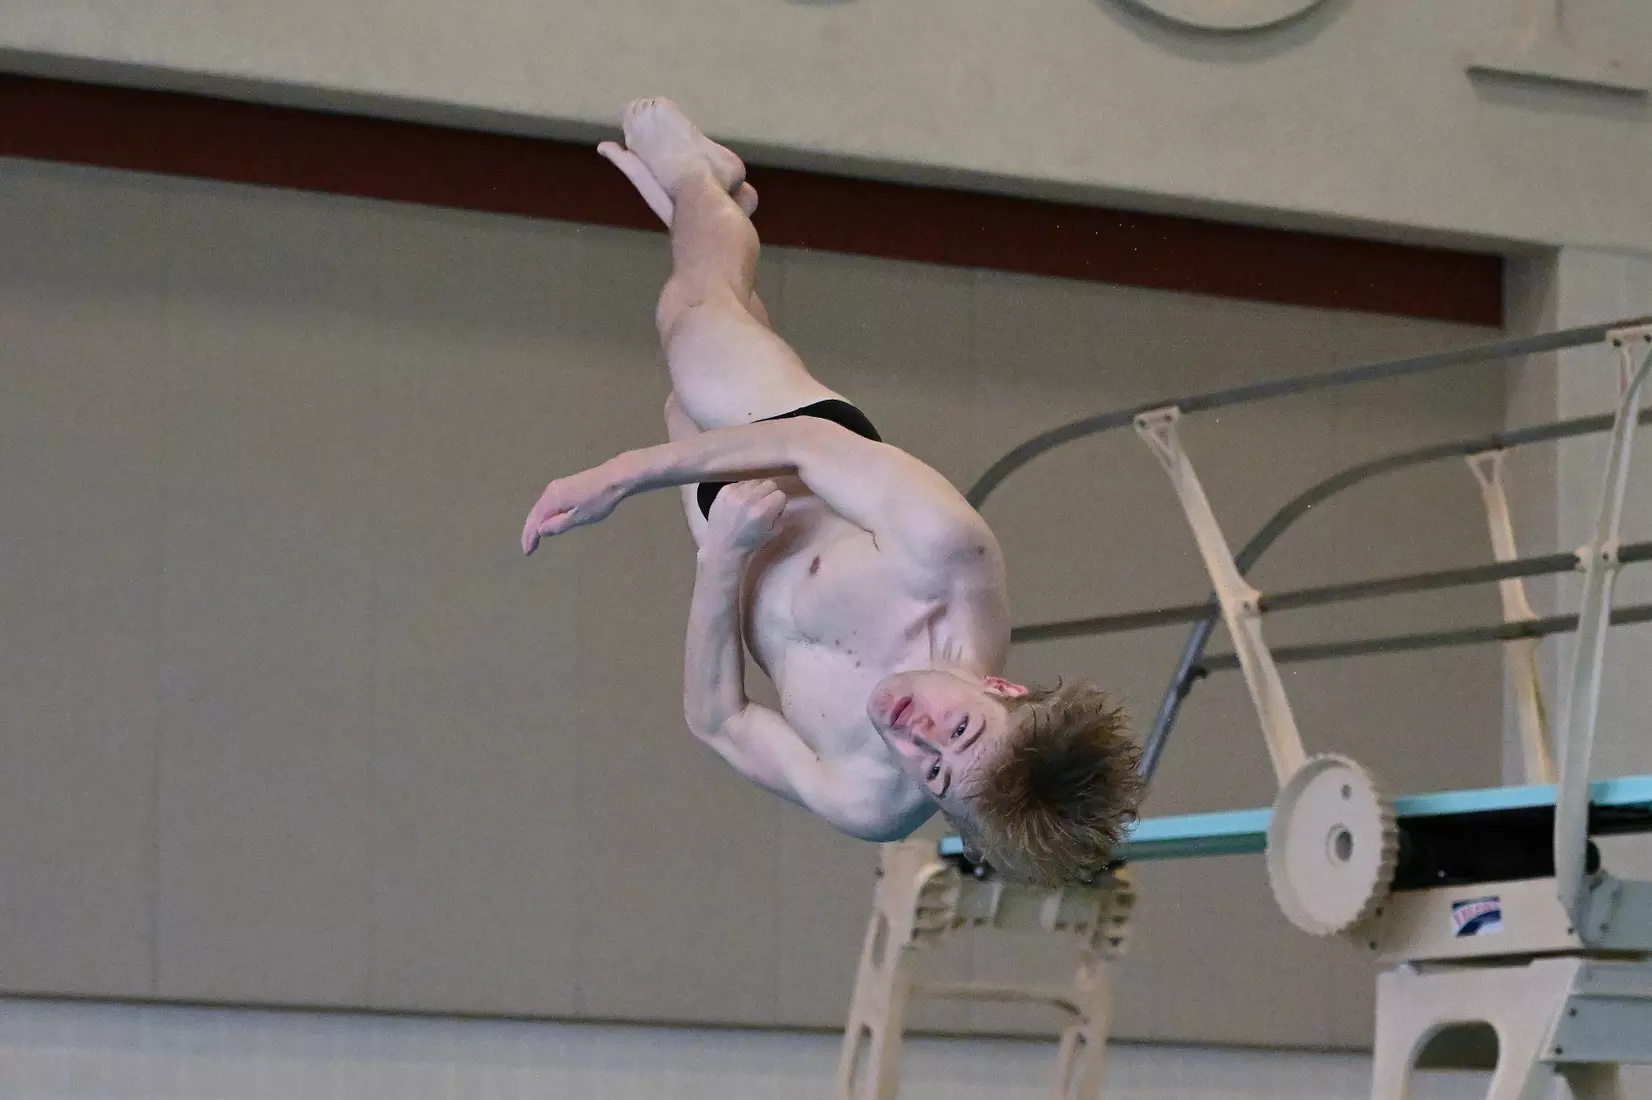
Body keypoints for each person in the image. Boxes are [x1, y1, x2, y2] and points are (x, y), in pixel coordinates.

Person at [522, 98, 1142, 884]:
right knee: (690, 318)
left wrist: (722, 560)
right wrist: (621, 475)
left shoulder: (869, 800)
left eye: (934, 773)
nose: (913, 733)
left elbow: (720, 722)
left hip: (734, 531)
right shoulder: (951, 556)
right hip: (791, 449)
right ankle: (699, 182)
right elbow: (806, 447)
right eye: (958, 727)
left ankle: (716, 220)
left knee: (700, 350)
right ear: (1000, 687)